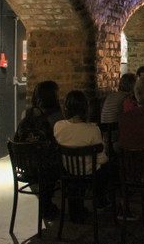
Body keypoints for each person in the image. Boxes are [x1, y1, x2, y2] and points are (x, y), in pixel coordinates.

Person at [54, 90, 109, 222]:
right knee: (107, 168)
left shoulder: (58, 126)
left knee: (76, 178)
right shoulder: (93, 130)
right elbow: (101, 159)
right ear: (86, 108)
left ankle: (77, 209)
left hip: (68, 172)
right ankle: (101, 201)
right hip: (90, 174)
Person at [14, 80, 63, 219]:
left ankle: (46, 204)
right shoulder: (56, 117)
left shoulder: (26, 113)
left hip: (25, 167)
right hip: (45, 169)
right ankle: (58, 206)